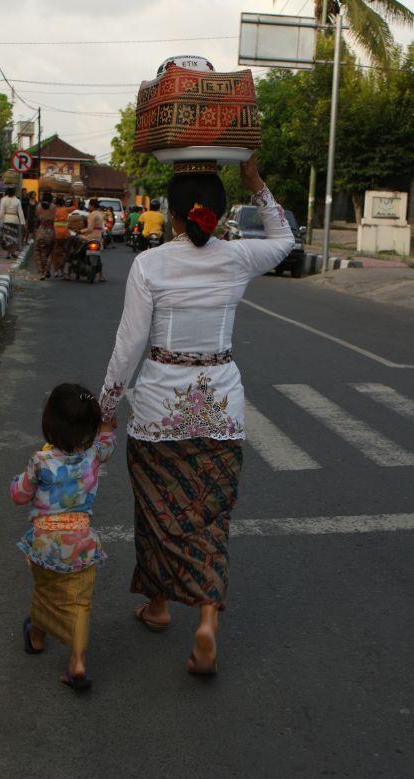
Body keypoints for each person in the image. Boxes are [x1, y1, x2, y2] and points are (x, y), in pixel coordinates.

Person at [99, 155, 294, 675]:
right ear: (219, 211)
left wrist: (107, 405)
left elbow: (129, 343)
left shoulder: (151, 264)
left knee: (158, 515)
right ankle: (206, 618)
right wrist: (257, 181)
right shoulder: (237, 258)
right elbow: (284, 240)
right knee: (210, 516)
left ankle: (160, 607)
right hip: (220, 410)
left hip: (160, 410)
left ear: (175, 213)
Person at [11, 383, 116, 690]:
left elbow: (19, 496)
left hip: (45, 543)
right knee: (81, 601)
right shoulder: (95, 454)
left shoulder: (40, 462)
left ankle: (37, 632)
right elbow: (107, 442)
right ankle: (78, 661)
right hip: (82, 542)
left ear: (48, 425)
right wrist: (107, 428)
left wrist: (16, 484)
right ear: (90, 429)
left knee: (46, 591)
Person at [67, 198, 107, 282]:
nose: (88, 207)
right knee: (98, 257)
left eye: (89, 205)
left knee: (74, 244)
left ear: (92, 206)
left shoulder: (91, 214)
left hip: (91, 237)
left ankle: (69, 273)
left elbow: (90, 229)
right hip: (98, 238)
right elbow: (102, 229)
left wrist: (80, 231)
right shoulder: (100, 214)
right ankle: (101, 276)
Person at [0, 187, 25, 260]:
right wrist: (23, 222)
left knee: (7, 238)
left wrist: (0, 221)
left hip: (6, 219)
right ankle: (11, 252)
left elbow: (1, 211)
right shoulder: (17, 200)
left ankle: (9, 253)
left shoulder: (3, 200)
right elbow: (20, 212)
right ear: (14, 193)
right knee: (13, 237)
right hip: (14, 220)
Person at [34, 192, 55, 280]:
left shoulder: (38, 207)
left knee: (39, 252)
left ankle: (41, 272)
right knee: (49, 252)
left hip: (41, 230)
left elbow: (37, 218)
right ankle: (47, 270)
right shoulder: (54, 207)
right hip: (51, 232)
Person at [53, 196, 73, 279]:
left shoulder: (54, 210)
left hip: (56, 234)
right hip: (65, 234)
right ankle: (62, 270)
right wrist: (76, 197)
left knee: (56, 252)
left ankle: (56, 271)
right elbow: (76, 207)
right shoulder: (66, 209)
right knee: (65, 252)